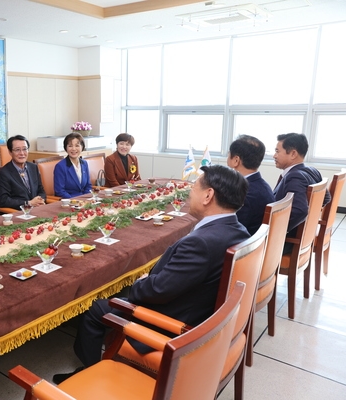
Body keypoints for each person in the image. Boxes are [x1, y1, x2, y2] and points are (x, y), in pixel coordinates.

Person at [53, 165, 250, 383]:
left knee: (96, 309)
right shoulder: (239, 230)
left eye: (193, 188)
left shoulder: (201, 243)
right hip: (201, 311)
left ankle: (91, 375)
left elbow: (158, 290)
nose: (189, 193)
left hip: (174, 322)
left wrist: (139, 284)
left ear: (208, 195)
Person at [273, 133, 330, 252]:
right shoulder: (312, 170)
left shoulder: (294, 176)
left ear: (293, 154)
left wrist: (275, 231)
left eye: (278, 151)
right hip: (302, 238)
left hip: (286, 243)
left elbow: (300, 211)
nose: (274, 156)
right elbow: (326, 198)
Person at [227, 134, 275, 235]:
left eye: (228, 154)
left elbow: (232, 230)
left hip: (245, 246)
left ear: (236, 160)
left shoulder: (245, 194)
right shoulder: (262, 185)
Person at [0, 135, 46, 209]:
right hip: (19, 212)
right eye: (17, 150)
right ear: (10, 152)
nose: (22, 153)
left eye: (24, 149)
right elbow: (3, 200)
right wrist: (28, 203)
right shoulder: (4, 173)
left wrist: (40, 200)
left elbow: (41, 190)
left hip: (38, 209)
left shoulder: (33, 167)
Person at [53, 133, 92, 198]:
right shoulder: (60, 166)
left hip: (85, 201)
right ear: (66, 148)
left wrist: (85, 198)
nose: (73, 149)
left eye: (77, 146)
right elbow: (60, 191)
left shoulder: (84, 163)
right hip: (70, 202)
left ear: (82, 147)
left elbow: (88, 186)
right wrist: (74, 201)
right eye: (70, 146)